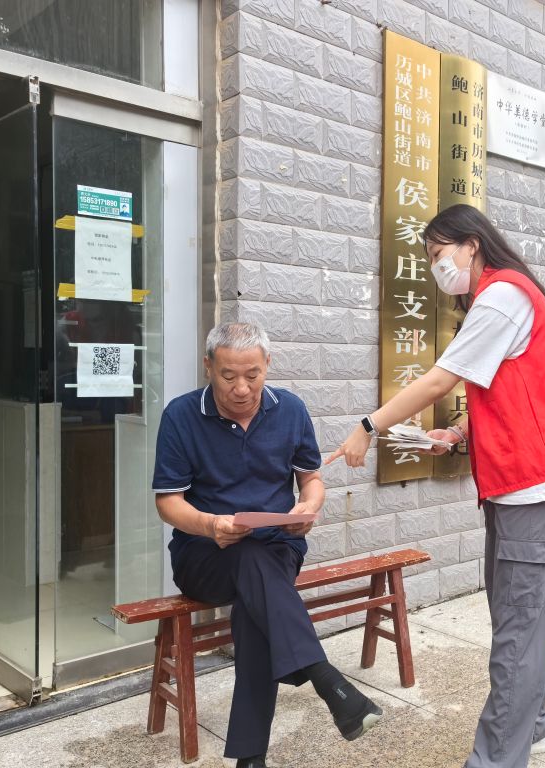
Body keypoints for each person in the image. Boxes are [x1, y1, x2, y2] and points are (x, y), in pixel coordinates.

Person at [327, 204, 545, 768]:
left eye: (438, 253)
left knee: (519, 625)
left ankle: (497, 757)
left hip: (534, 483)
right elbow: (512, 390)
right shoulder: (508, 294)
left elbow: (439, 379)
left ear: (470, 245)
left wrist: (367, 427)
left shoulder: (502, 296)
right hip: (525, 480)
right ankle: (535, 725)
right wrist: (456, 433)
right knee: (517, 616)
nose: (436, 267)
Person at [153, 322, 382, 768]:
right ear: (208, 367)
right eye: (228, 376)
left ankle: (251, 758)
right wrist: (210, 524)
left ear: (267, 365)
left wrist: (308, 509)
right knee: (251, 568)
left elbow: (311, 480)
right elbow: (168, 503)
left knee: (256, 590)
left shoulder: (290, 409)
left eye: (252, 375)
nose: (241, 388)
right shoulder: (181, 416)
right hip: (204, 555)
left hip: (278, 546)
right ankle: (324, 677)